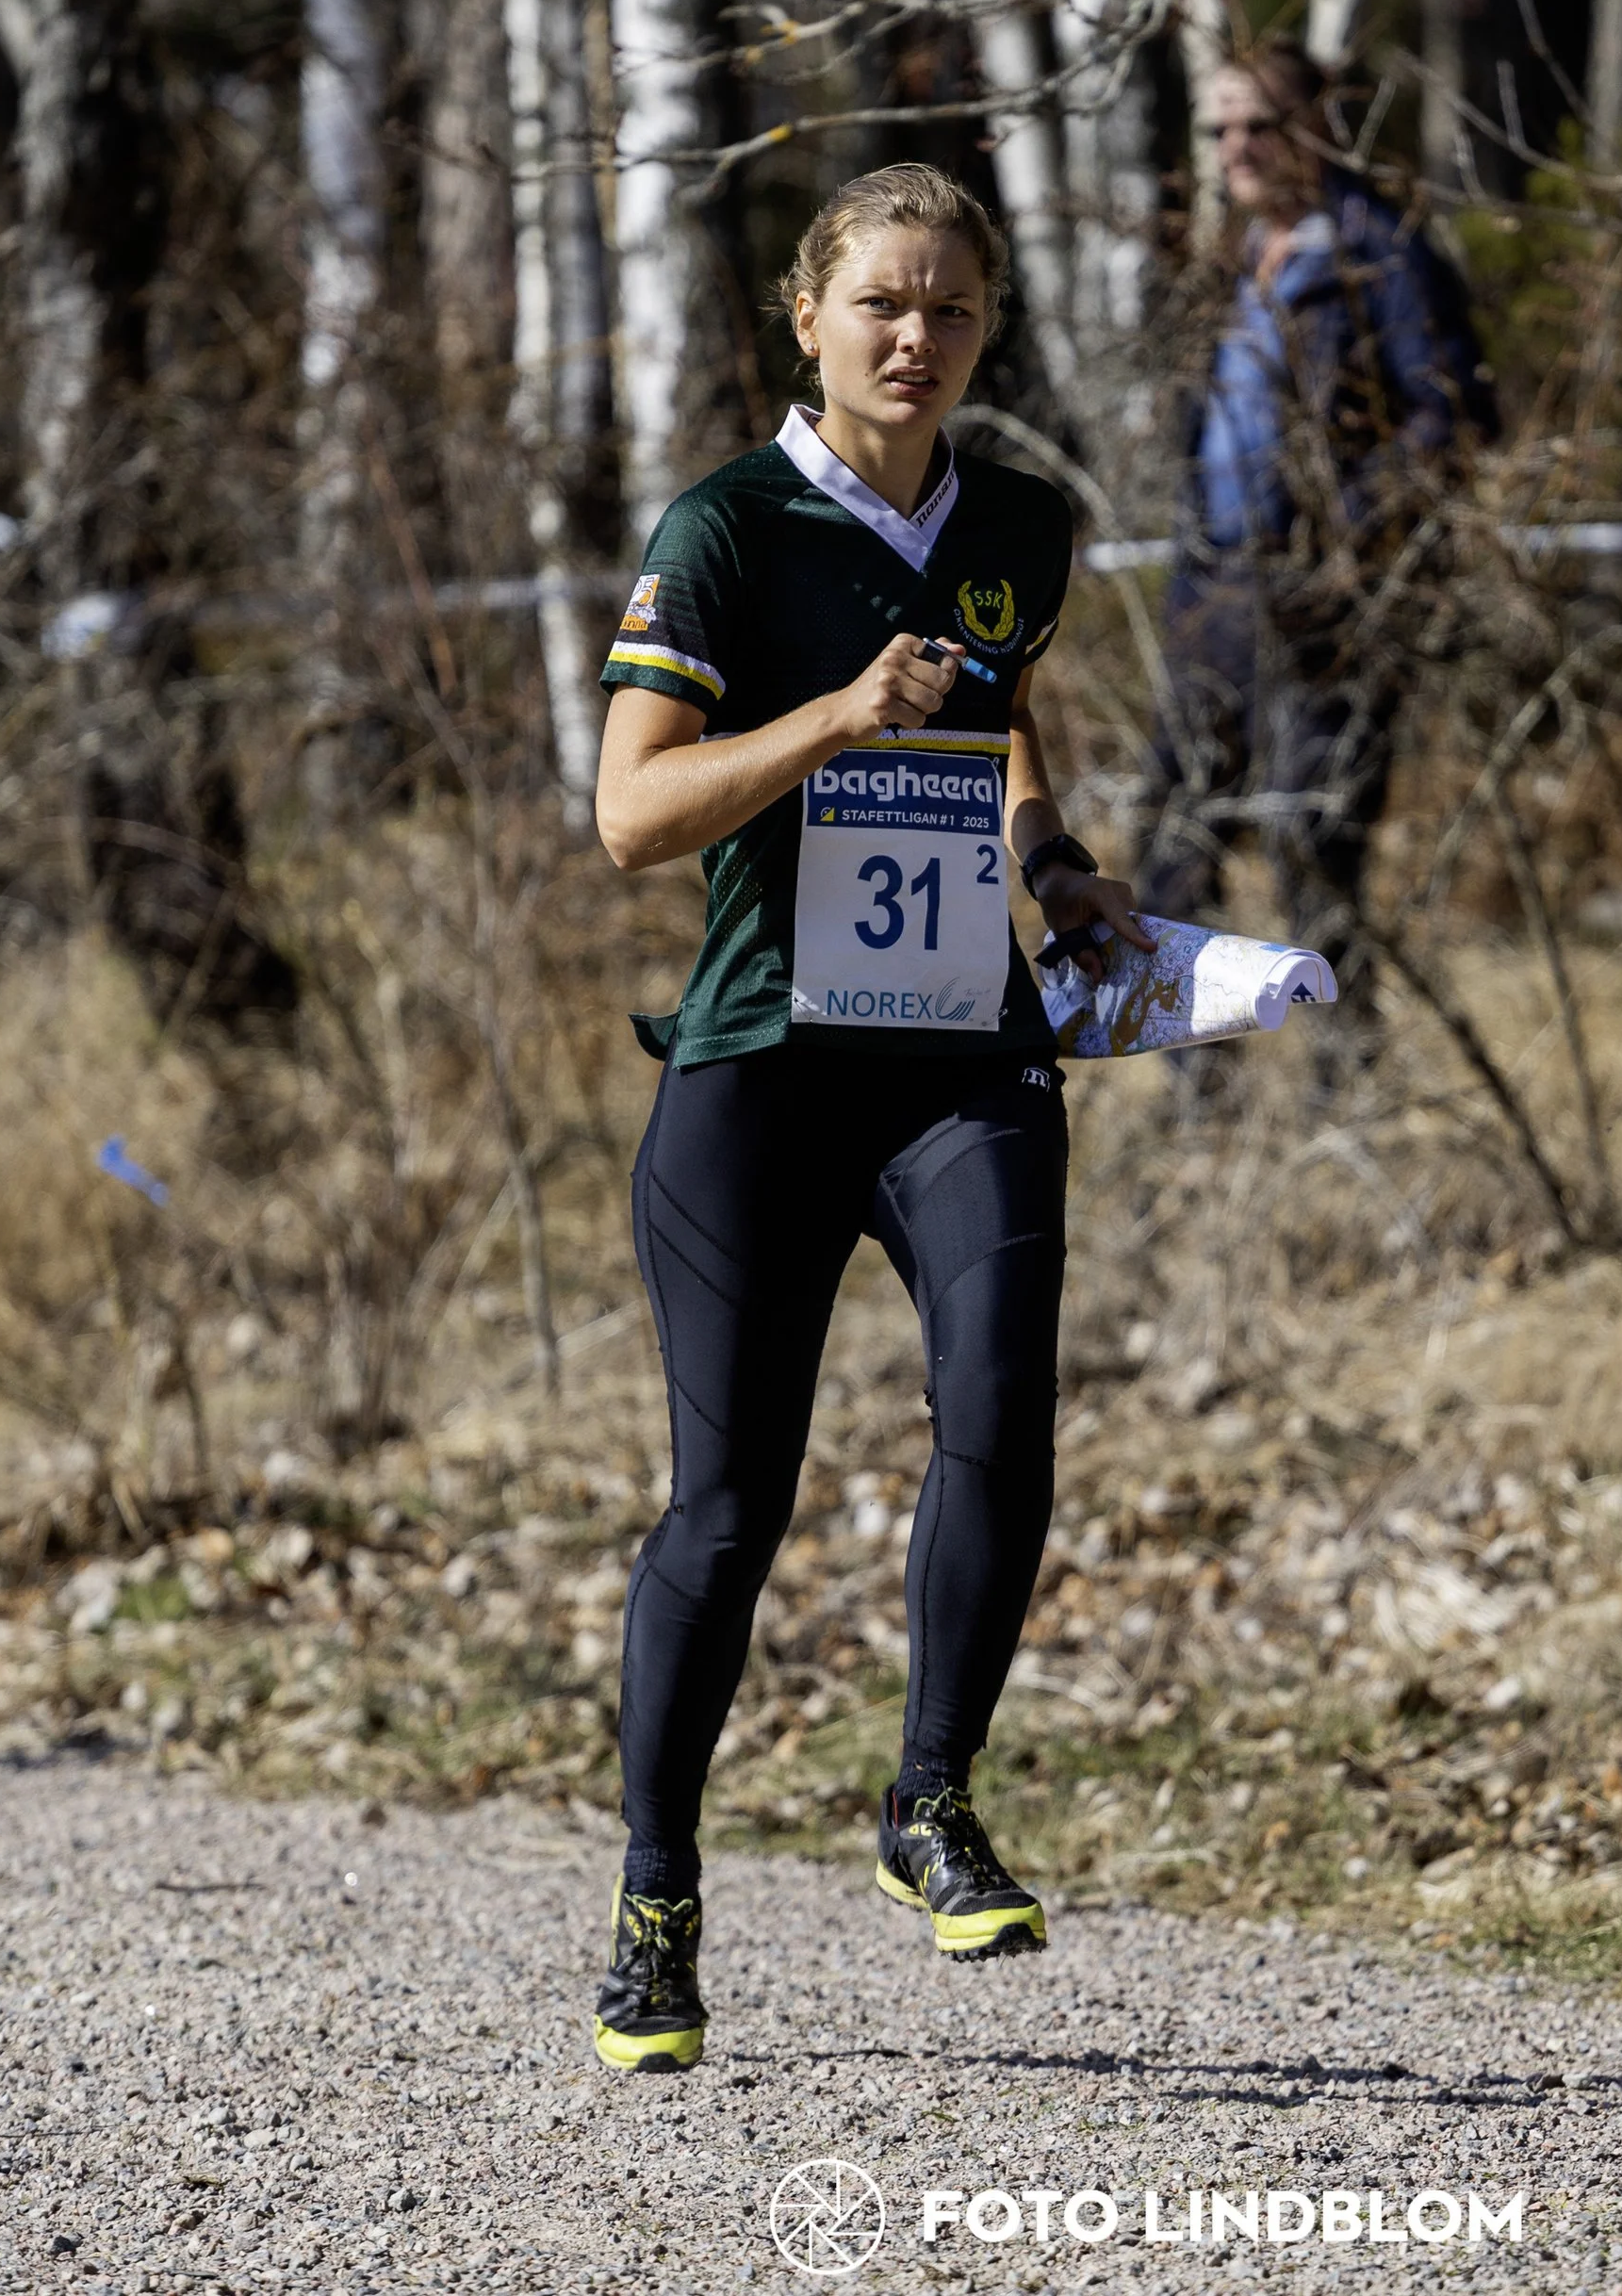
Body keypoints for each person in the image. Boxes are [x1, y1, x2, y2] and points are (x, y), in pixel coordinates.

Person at [587, 164, 1147, 2072]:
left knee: (1001, 1398)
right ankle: (657, 1900)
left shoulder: (1014, 520)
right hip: (758, 1064)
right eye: (882, 304)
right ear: (806, 314)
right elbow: (631, 813)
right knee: (727, 1507)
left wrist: (1052, 859)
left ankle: (928, 1797)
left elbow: (989, 718)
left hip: (956, 1051)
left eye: (955, 311)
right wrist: (828, 717)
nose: (918, 340)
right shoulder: (727, 527)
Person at [1136, 41, 1494, 1031]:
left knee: (1311, 842)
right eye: (1219, 129)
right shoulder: (1228, 259)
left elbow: (1452, 419)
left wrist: (1345, 543)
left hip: (1332, 605)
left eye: (1260, 123)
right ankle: (1201, 1099)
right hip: (1213, 592)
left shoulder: (1383, 253)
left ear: (1317, 125)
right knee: (1174, 836)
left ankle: (1346, 1092)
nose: (1237, 147)